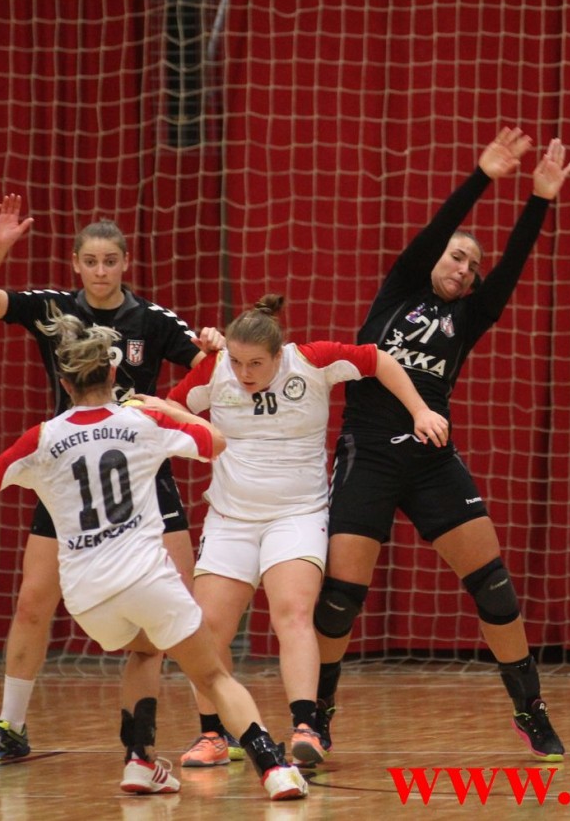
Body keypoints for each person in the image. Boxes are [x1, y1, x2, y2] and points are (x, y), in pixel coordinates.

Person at [0, 311, 307, 799]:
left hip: (86, 596)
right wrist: (177, 413)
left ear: (64, 383)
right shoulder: (143, 420)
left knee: (144, 649)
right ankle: (274, 768)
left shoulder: (43, 437)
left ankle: (139, 761)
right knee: (212, 674)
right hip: (146, 579)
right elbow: (216, 443)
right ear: (112, 372)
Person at [312, 129, 570, 762]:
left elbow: (510, 269)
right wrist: (483, 177)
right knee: (341, 600)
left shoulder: (468, 317)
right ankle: (315, 714)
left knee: (495, 589)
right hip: (369, 454)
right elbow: (435, 233)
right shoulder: (401, 288)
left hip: (431, 460)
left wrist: (538, 199)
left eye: (472, 266)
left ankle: (530, 708)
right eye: (457, 257)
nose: (464, 269)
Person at [0, 196, 220, 762]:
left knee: (181, 604)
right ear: (76, 263)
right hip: (69, 477)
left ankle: (215, 728)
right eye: (91, 262)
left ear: (126, 263)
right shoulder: (53, 309)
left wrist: (211, 349)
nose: (101, 271)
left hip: (142, 476)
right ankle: (11, 726)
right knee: (33, 602)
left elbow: (210, 370)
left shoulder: (152, 320)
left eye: (110, 261)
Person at [164, 294, 450, 768]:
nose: (244, 373)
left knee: (293, 614)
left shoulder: (312, 361)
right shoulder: (215, 371)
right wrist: (185, 421)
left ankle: (305, 727)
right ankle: (214, 734)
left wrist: (420, 411)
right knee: (209, 626)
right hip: (230, 519)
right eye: (236, 362)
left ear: (279, 354)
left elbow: (379, 359)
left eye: (256, 363)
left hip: (296, 515)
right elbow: (171, 410)